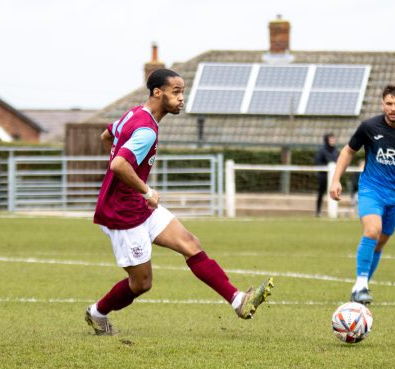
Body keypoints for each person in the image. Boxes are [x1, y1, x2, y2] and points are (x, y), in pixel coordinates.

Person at [85, 68, 274, 335]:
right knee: (141, 284)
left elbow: (107, 137)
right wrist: (145, 190)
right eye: (176, 92)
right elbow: (118, 164)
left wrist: (131, 184)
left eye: (182, 92)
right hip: (122, 212)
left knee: (191, 244)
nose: (181, 98)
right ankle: (97, 312)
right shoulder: (146, 129)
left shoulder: (134, 114)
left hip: (137, 205)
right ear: (157, 92)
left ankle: (238, 300)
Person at [329, 84, 395, 305]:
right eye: (389, 103)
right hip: (370, 190)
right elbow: (348, 150)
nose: (393, 108)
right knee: (372, 231)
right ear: (382, 104)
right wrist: (336, 178)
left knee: (380, 242)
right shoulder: (368, 127)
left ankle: (363, 285)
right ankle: (360, 284)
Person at [314, 133, 339, 217]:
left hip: (334, 176)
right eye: (331, 139)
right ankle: (318, 211)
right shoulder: (321, 150)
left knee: (335, 192)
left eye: (333, 139)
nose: (333, 141)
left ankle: (334, 211)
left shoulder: (336, 150)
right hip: (323, 176)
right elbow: (317, 162)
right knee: (321, 193)